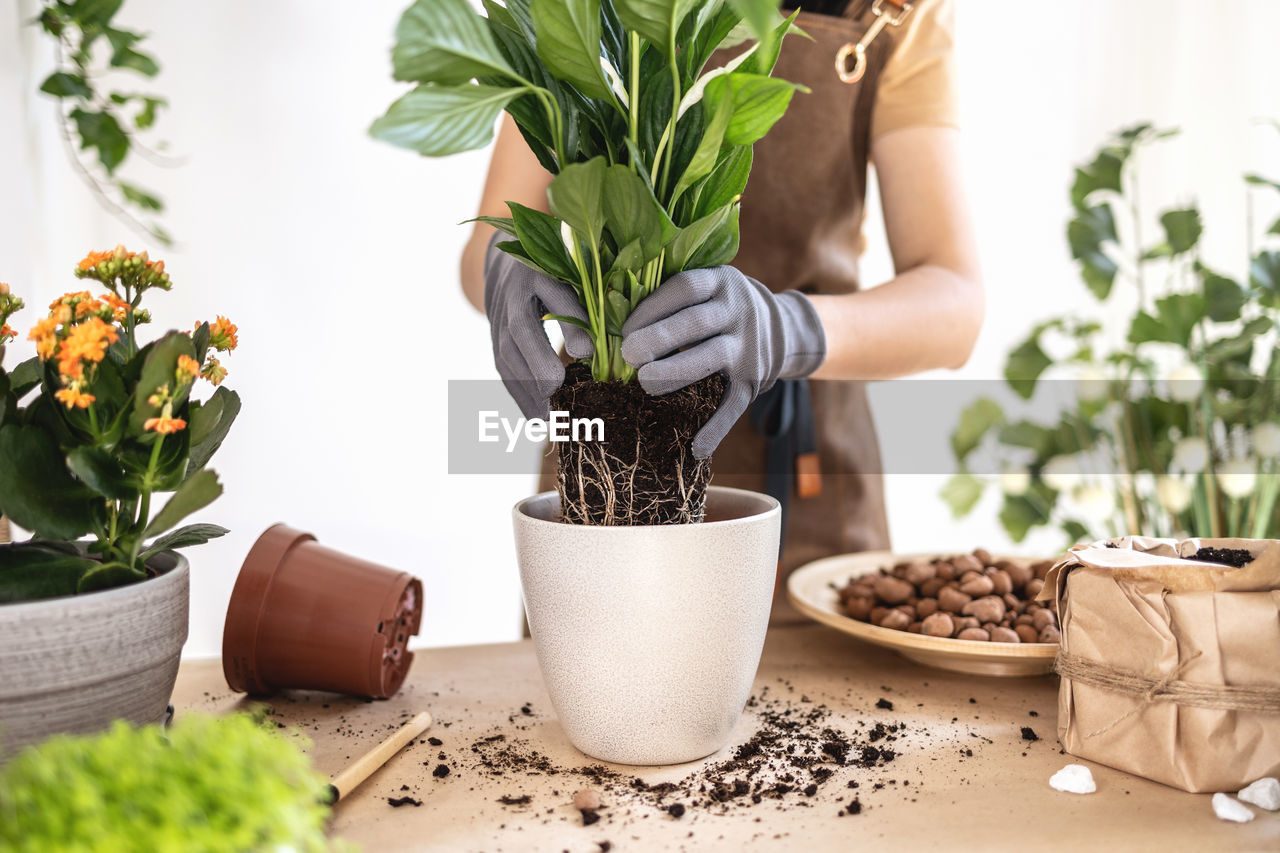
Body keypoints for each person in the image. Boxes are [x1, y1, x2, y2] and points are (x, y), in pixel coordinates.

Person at [460, 0, 982, 622]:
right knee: (595, 688)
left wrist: (785, 330)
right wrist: (505, 263)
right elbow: (486, 244)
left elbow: (956, 303)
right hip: (600, 469)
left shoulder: (896, 11)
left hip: (801, 475)